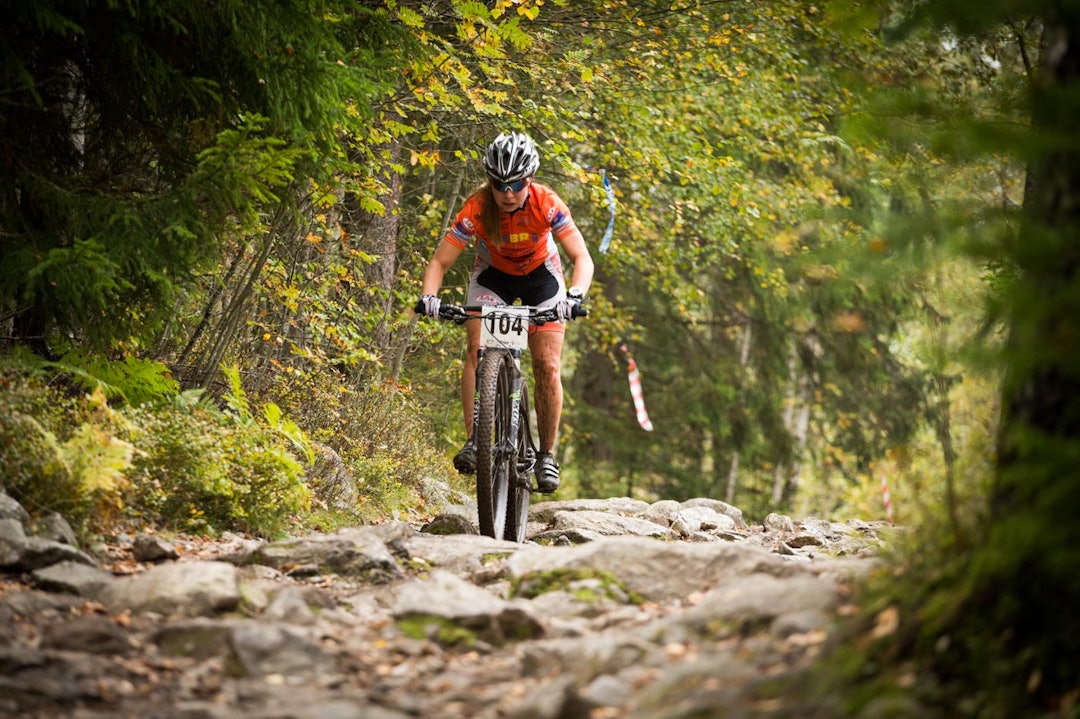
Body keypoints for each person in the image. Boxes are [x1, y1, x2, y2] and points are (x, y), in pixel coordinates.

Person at [417, 131, 594, 493]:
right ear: (490, 184)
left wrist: (575, 294)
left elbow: (582, 257)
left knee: (547, 363)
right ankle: (474, 440)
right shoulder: (478, 208)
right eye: (500, 185)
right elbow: (439, 261)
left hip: (542, 278)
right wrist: (429, 297)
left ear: (528, 180)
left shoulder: (547, 202)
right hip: (493, 277)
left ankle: (545, 454)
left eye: (516, 184)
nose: (508, 193)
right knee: (476, 350)